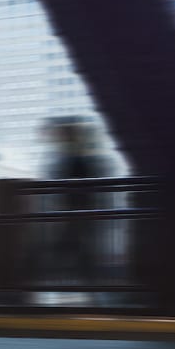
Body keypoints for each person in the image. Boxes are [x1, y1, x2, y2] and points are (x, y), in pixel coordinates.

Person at [43, 116, 108, 286]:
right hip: (80, 212)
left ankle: (78, 280)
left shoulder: (75, 159)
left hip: (76, 211)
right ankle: (88, 281)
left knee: (69, 246)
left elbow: (64, 183)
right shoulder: (83, 158)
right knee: (77, 246)